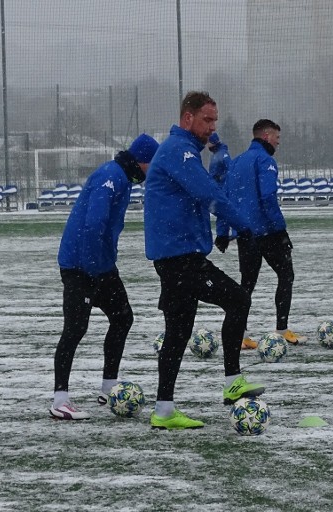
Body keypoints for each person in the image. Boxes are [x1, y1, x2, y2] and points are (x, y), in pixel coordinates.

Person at [144, 91, 265, 430]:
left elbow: (201, 193)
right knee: (238, 299)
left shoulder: (181, 152)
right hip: (179, 257)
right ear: (188, 119)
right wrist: (244, 226)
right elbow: (208, 195)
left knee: (178, 332)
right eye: (207, 120)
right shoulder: (179, 151)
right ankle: (232, 382)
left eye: (215, 121)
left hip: (177, 255)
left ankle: (164, 410)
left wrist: (219, 167)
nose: (212, 128)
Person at [50, 133, 159, 420]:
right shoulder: (110, 177)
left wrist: (104, 265)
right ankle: (59, 399)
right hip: (81, 265)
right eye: (154, 163)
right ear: (142, 161)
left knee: (123, 317)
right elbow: (93, 225)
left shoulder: (121, 177)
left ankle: (108, 387)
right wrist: (92, 269)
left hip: (100, 265)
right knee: (75, 329)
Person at [218, 119, 303, 348]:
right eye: (277, 137)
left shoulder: (236, 162)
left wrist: (222, 232)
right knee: (286, 275)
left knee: (247, 284)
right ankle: (282, 329)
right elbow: (268, 198)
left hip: (245, 234)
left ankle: (242, 335)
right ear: (266, 136)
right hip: (267, 232)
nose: (278, 142)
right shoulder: (266, 160)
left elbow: (223, 199)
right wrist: (280, 229)